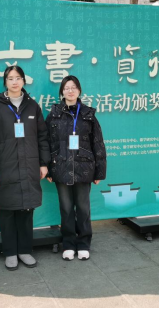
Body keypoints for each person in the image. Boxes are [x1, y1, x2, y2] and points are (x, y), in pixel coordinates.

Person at [0, 66, 50, 271]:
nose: (14, 82)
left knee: (26, 210)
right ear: (5, 82)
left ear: (24, 81)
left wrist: (43, 163)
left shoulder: (32, 106)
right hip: (5, 167)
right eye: (10, 78)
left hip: (29, 165)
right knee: (6, 211)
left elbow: (42, 136)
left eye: (18, 78)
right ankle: (10, 252)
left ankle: (24, 250)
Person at [46, 76, 107, 261]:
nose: (70, 91)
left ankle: (84, 243)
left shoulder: (88, 114)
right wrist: (48, 168)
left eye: (73, 87)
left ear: (79, 91)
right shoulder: (54, 114)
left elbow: (98, 143)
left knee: (83, 208)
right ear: (62, 92)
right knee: (65, 208)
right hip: (61, 167)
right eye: (67, 88)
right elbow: (47, 143)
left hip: (84, 168)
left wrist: (99, 171)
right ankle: (69, 244)